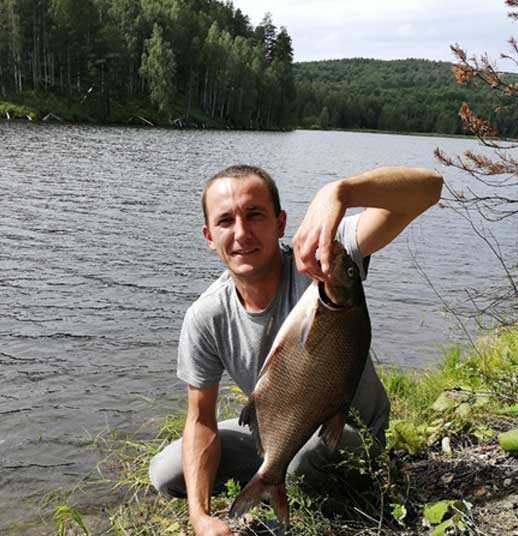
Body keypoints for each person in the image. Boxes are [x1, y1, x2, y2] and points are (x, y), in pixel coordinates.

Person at [149, 164, 443, 536]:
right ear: (209, 236)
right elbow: (200, 419)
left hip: (348, 433)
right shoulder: (206, 315)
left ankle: (305, 484)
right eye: (226, 221)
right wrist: (200, 516)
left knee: (302, 464)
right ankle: (269, 479)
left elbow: (429, 188)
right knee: (167, 472)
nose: (241, 233)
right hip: (282, 432)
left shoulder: (324, 262)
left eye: (255, 215)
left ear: (281, 222)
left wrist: (341, 191)